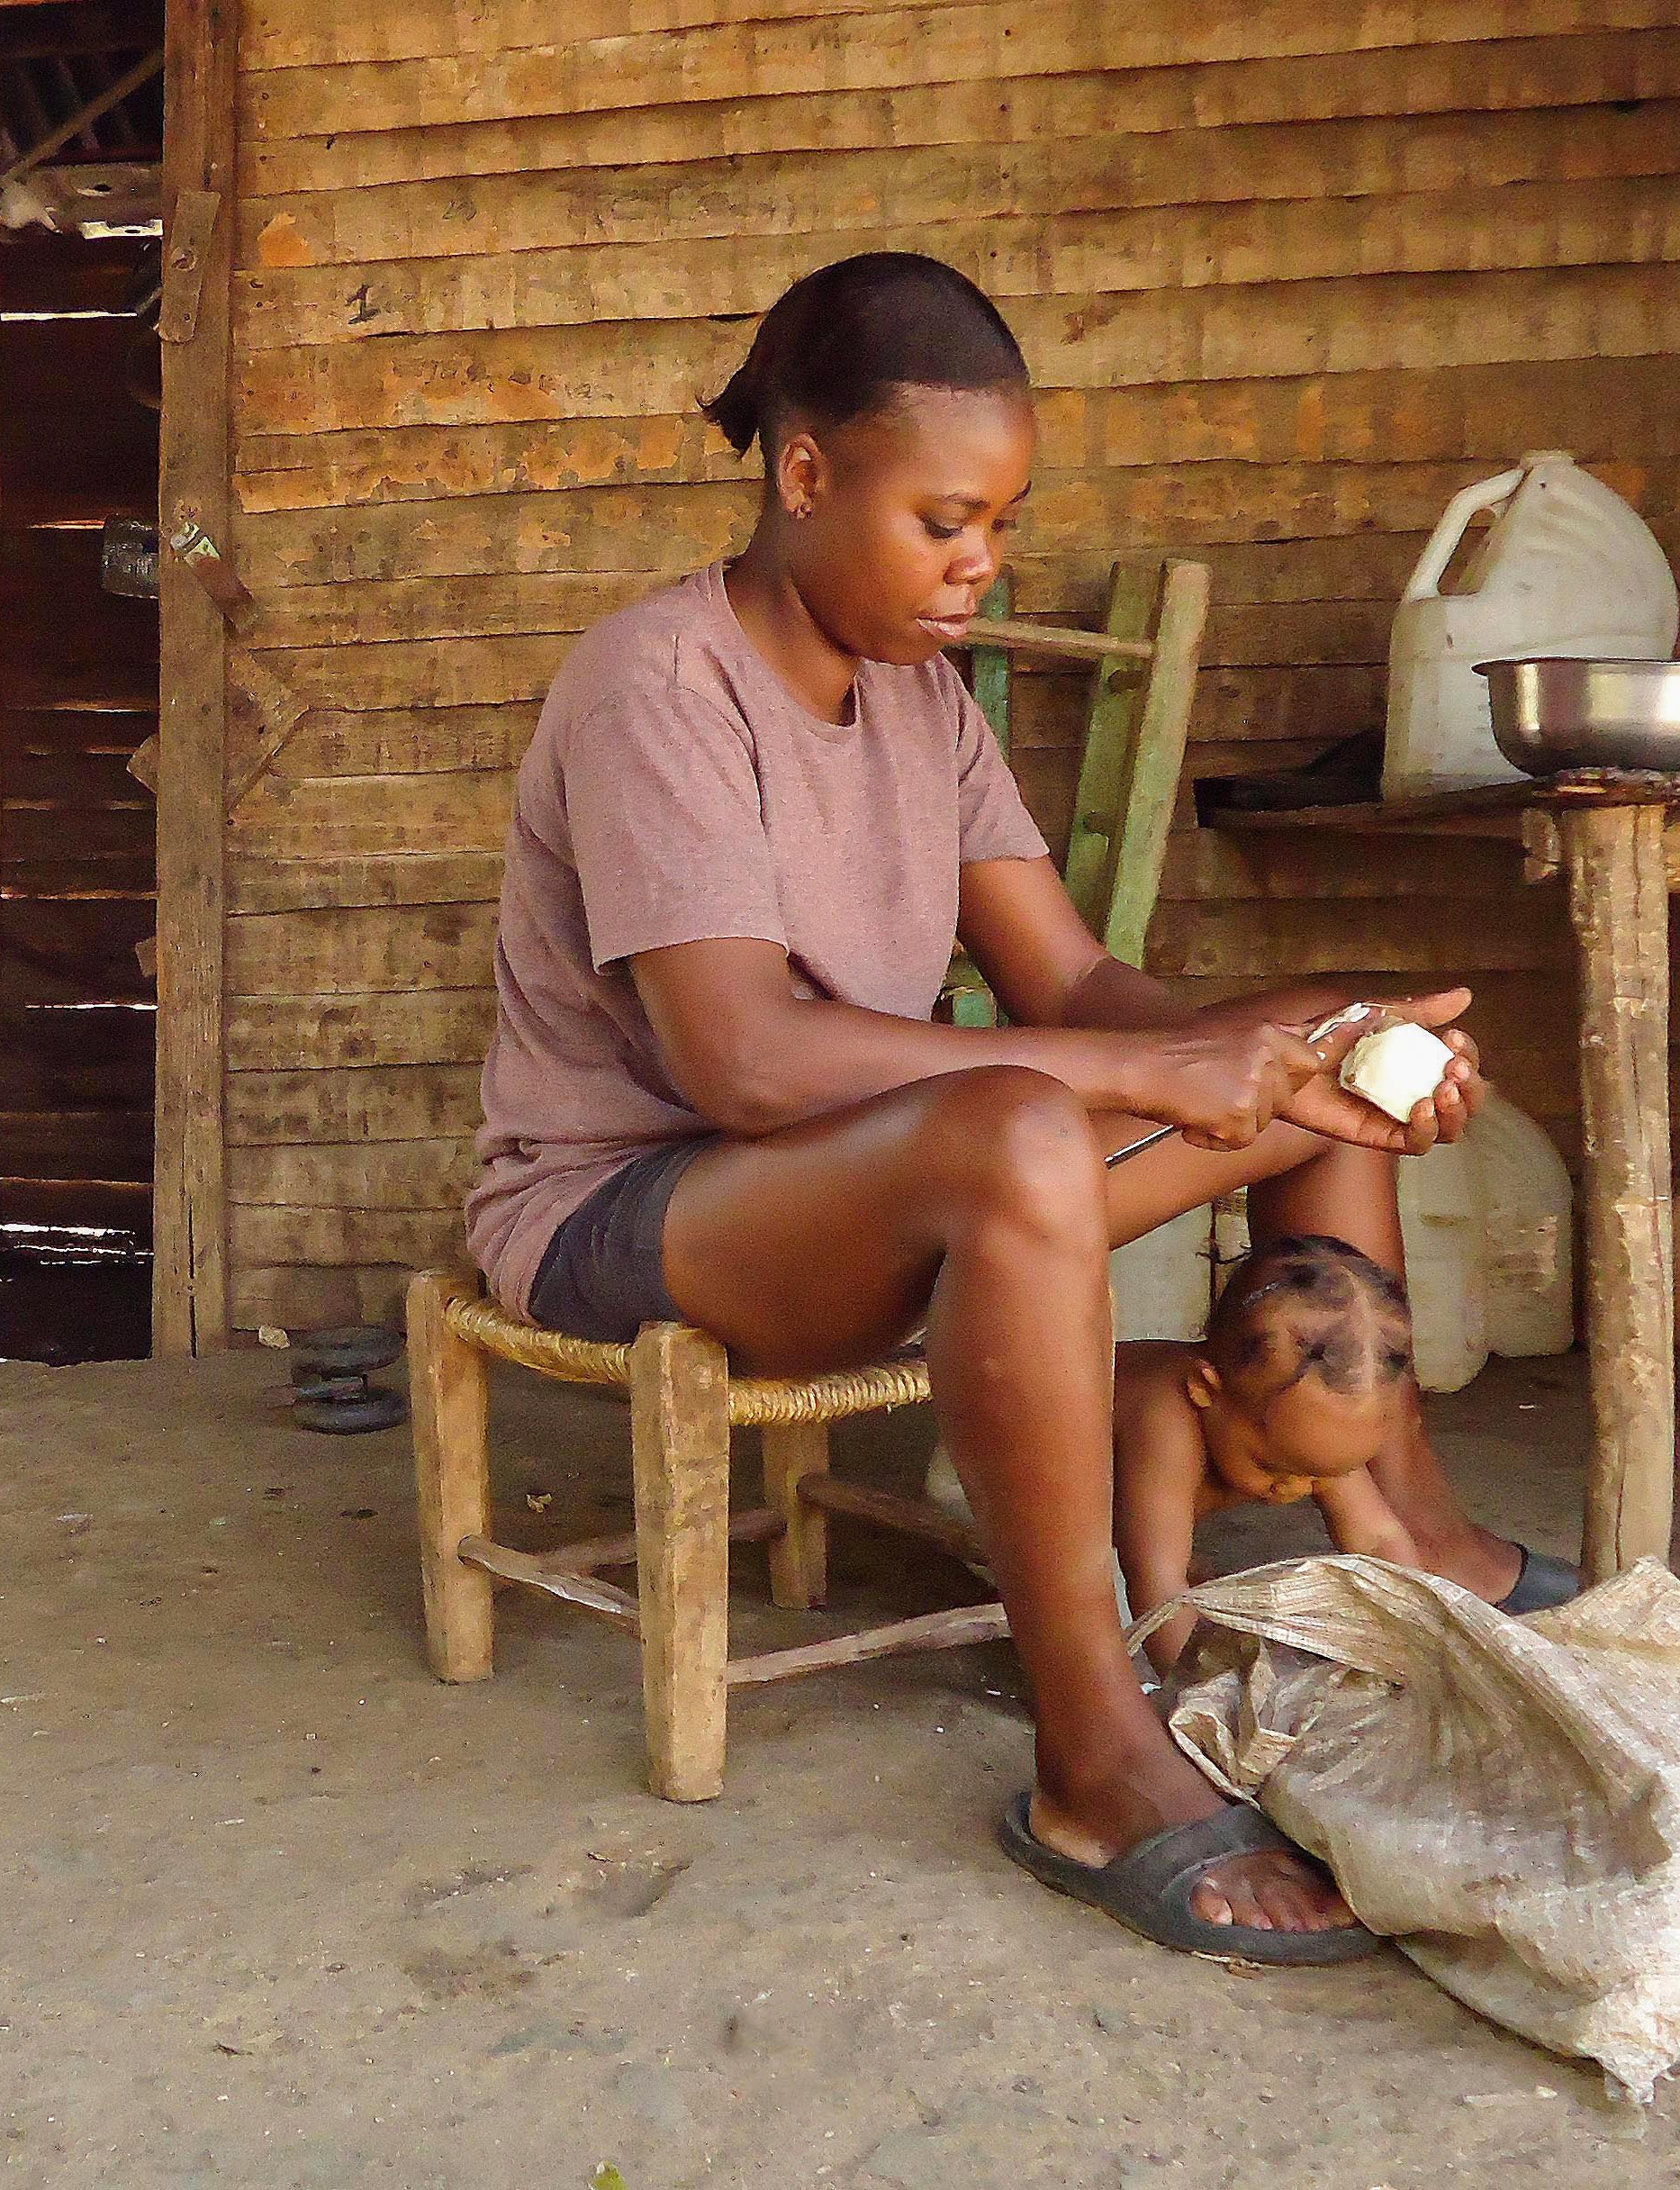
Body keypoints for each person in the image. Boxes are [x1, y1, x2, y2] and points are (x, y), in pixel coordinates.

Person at [465, 251, 1567, 1968]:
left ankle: (1401, 1520)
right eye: (945, 521)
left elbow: (1070, 979)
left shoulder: (922, 692)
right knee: (1024, 1128)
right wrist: (1149, 1074)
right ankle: (1096, 1755)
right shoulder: (657, 684)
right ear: (805, 473)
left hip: (863, 1185)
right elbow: (742, 1063)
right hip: (630, 1208)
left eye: (1000, 524)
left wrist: (1293, 1046)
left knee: (1310, 1039)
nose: (980, 562)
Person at [1111, 1234, 1574, 1692]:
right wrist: (1208, 1699)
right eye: (1272, 1466)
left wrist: (1418, 1640)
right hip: (1070, 1510)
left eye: (1321, 1474)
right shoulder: (1164, 1423)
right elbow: (1159, 1588)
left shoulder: (1310, 1433)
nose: (1295, 1489)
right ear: (1205, 1390)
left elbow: (1377, 1537)